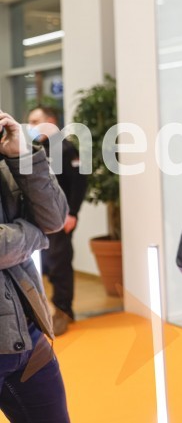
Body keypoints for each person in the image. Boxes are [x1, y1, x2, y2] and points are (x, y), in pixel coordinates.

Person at [0, 109, 71, 421]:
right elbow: (44, 230)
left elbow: (54, 218)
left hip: (26, 335)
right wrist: (35, 234)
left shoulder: (7, 157)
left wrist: (22, 156)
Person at [27, 105, 88, 336]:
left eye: (35, 121)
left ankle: (64, 311)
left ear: (50, 120)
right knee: (45, 264)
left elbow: (79, 183)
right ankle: (43, 311)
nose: (31, 127)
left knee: (59, 264)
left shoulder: (65, 148)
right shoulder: (37, 149)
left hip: (61, 218)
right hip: (41, 219)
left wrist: (72, 213)